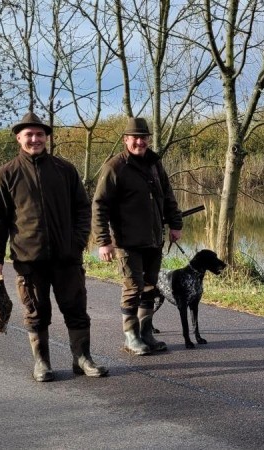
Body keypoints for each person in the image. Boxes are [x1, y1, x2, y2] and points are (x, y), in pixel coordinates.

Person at [0, 111, 108, 382]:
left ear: (46, 138)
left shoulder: (65, 170)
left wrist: (77, 242)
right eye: (29, 134)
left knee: (76, 309)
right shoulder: (6, 174)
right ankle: (42, 363)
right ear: (19, 138)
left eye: (40, 134)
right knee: (35, 312)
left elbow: (82, 208)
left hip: (67, 257)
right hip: (29, 258)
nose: (35, 139)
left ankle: (82, 359)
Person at [92, 117, 183, 355]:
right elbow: (99, 205)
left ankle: (146, 334)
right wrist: (103, 241)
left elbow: (168, 196)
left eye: (144, 138)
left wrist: (175, 224)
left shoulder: (155, 164)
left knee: (150, 288)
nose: (140, 142)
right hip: (126, 241)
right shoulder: (114, 167)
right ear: (126, 140)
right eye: (135, 138)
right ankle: (131, 337)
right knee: (134, 288)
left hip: (154, 239)